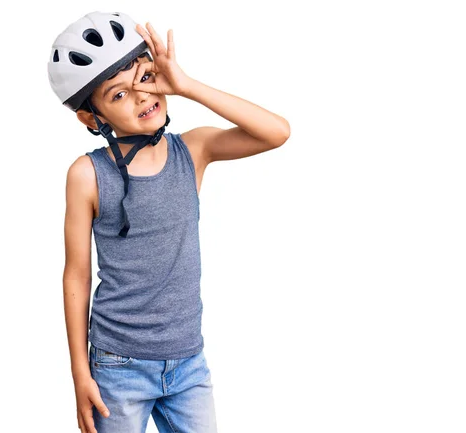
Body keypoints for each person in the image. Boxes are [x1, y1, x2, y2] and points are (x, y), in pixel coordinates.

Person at [48, 10, 290, 433]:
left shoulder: (192, 151)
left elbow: (276, 132)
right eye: (118, 95)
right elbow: (76, 274)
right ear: (92, 118)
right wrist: (80, 374)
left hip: (188, 362)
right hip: (117, 364)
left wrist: (187, 85)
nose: (142, 96)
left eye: (145, 77)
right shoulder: (87, 174)